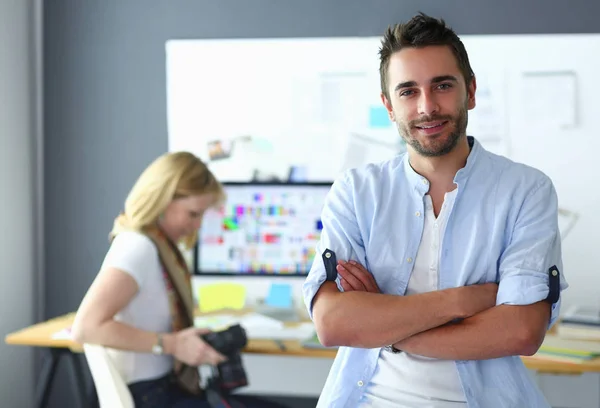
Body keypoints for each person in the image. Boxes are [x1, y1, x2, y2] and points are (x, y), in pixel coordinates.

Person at [303, 13, 568, 408]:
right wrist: (461, 302)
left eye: (442, 86)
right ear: (389, 106)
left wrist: (387, 325)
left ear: (471, 91)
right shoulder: (355, 191)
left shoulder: (526, 190)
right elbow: (333, 323)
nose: (427, 107)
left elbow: (521, 333)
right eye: (408, 91)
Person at [72, 152, 285, 408]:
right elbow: (86, 327)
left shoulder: (159, 248)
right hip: (151, 397)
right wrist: (173, 345)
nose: (197, 225)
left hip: (163, 391)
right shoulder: (137, 247)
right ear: (162, 200)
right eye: (193, 214)